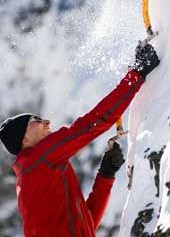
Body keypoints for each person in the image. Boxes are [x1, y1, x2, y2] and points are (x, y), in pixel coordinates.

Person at [0, 42, 160, 237]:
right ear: (24, 138)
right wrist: (136, 76)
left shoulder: (36, 171)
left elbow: (86, 224)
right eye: (36, 120)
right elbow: (89, 125)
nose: (46, 122)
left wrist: (105, 175)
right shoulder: (39, 158)